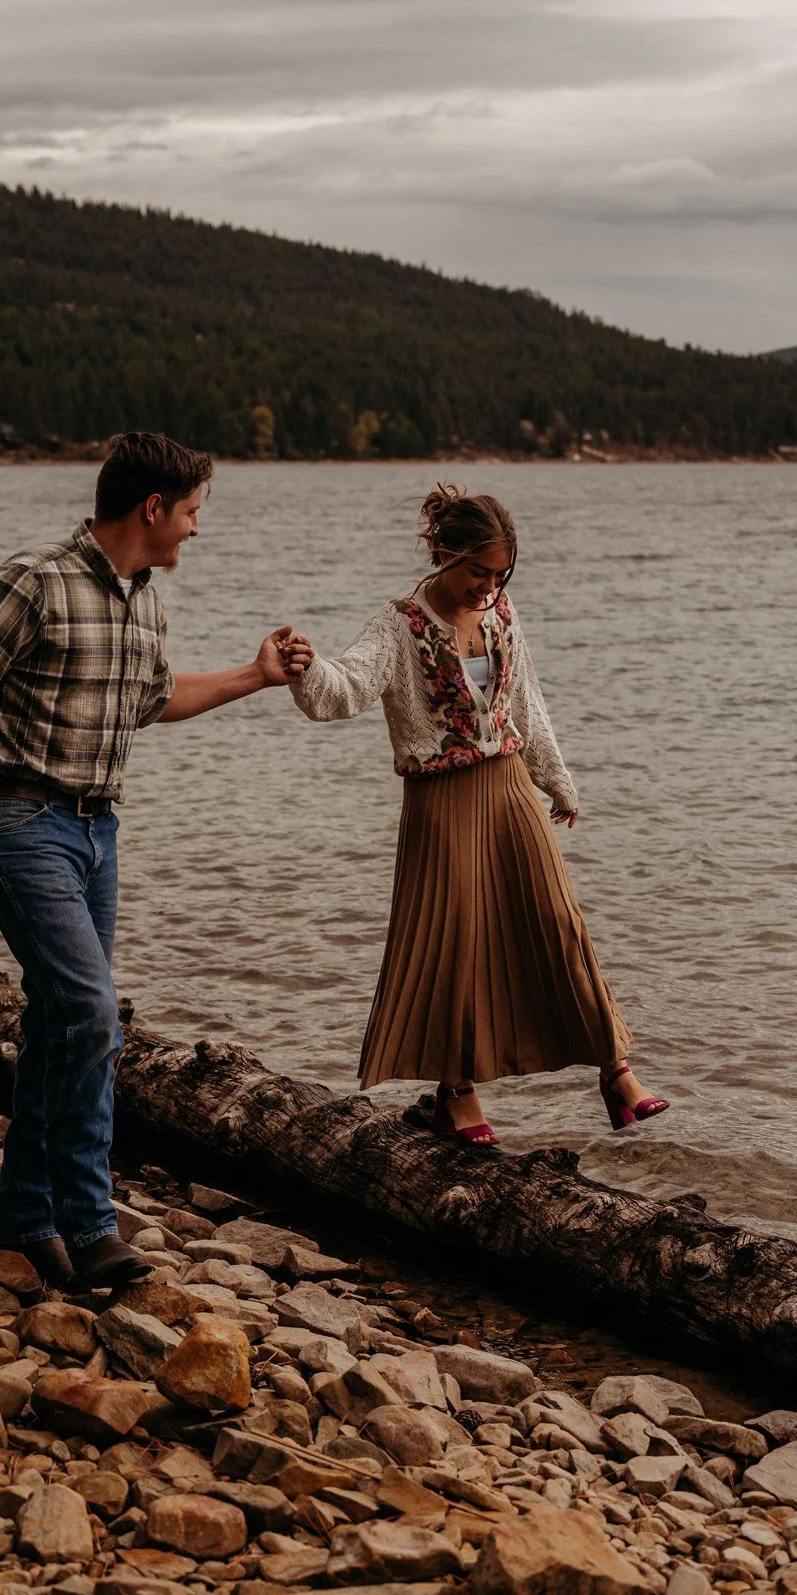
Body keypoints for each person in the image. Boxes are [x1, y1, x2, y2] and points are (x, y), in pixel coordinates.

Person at [0, 431, 312, 1297]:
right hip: (14, 816)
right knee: (89, 1009)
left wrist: (255, 676)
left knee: (60, 1019)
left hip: (94, 831)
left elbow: (154, 700)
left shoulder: (143, 599)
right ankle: (89, 1221)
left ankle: (26, 1219)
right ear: (152, 508)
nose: (196, 530)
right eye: (191, 512)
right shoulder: (31, 581)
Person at [286, 483, 667, 1145]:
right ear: (442, 553)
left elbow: (528, 702)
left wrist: (558, 783)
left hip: (509, 786)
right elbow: (342, 691)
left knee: (557, 924)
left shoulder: (500, 615)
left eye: (499, 575)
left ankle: (615, 1073)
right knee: (455, 947)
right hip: (441, 801)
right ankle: (454, 1092)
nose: (487, 587)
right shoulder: (398, 624)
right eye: (477, 572)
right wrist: (302, 667)